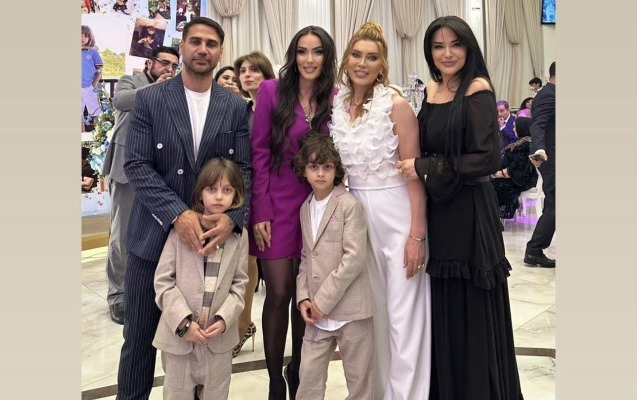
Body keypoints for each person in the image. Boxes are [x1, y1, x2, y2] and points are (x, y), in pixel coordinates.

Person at [117, 17, 251, 400]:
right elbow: (137, 164)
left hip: (209, 245)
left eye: (211, 43)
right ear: (182, 47)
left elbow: (244, 169)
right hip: (152, 236)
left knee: (200, 343)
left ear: (220, 52)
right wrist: (178, 213)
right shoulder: (151, 99)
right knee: (139, 340)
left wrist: (232, 218)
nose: (202, 49)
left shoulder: (233, 105)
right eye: (195, 41)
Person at [397, 16, 523, 399]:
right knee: (445, 304)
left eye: (455, 44)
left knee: (471, 304)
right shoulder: (433, 89)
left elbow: (487, 158)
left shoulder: (477, 89)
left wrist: (424, 167)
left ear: (468, 48)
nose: (447, 53)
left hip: (469, 211)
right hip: (440, 209)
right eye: (438, 46)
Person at [329, 21, 430, 400]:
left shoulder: (397, 106)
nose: (362, 63)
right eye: (356, 55)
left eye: (371, 57)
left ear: (382, 65)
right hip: (357, 213)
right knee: (373, 312)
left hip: (396, 212)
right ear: (346, 59)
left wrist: (416, 233)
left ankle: (407, 394)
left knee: (405, 312)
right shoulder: (337, 104)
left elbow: (414, 175)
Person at [250, 25, 337, 400]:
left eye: (317, 52)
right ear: (293, 55)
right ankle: (275, 380)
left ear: (326, 57)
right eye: (302, 51)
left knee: (307, 294)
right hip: (275, 202)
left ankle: (298, 370)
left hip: (316, 206)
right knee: (279, 292)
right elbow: (258, 152)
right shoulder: (271, 91)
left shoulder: (334, 97)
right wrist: (260, 210)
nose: (309, 59)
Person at [153, 158, 249, 400]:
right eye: (212, 189)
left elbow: (240, 285)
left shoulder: (239, 237)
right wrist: (183, 323)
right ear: (200, 193)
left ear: (236, 195)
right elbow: (163, 282)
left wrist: (225, 318)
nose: (219, 196)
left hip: (218, 342)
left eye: (227, 190)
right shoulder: (180, 230)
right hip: (179, 341)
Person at [292, 131, 375, 400]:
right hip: (316, 313)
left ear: (336, 169)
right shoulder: (305, 207)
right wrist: (303, 297)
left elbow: (354, 258)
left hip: (351, 310)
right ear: (304, 169)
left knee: (360, 384)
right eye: (314, 166)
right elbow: (306, 256)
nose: (320, 173)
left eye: (327, 167)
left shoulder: (349, 204)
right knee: (308, 379)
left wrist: (322, 301)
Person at [101, 45, 180, 325]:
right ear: (150, 63)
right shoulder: (131, 82)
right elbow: (121, 101)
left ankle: (146, 292)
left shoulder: (172, 92)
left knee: (153, 235)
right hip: (125, 170)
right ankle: (118, 296)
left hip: (156, 172)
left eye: (174, 66)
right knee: (121, 235)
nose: (169, 69)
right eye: (164, 63)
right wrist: (157, 88)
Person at [230, 51, 276, 358]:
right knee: (242, 262)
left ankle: (244, 326)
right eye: (243, 70)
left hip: (271, 191)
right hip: (240, 191)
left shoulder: (278, 108)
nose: (247, 75)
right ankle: (241, 325)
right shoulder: (240, 110)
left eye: (254, 70)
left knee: (253, 263)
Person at [524, 61, 556, 268]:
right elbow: (538, 125)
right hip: (551, 158)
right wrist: (539, 149)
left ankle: (535, 249)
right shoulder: (547, 95)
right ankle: (534, 249)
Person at [490, 117, 539, 220]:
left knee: (491, 186)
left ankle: (494, 217)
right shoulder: (522, 142)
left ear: (522, 128)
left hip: (520, 180)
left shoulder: (526, 145)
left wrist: (499, 174)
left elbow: (519, 169)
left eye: (515, 127)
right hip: (512, 177)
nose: (513, 129)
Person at [81, 25, 103, 132]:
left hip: (89, 87)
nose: (82, 38)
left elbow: (99, 70)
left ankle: (98, 134)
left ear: (89, 38)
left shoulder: (93, 53)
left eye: (85, 36)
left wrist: (93, 85)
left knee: (95, 111)